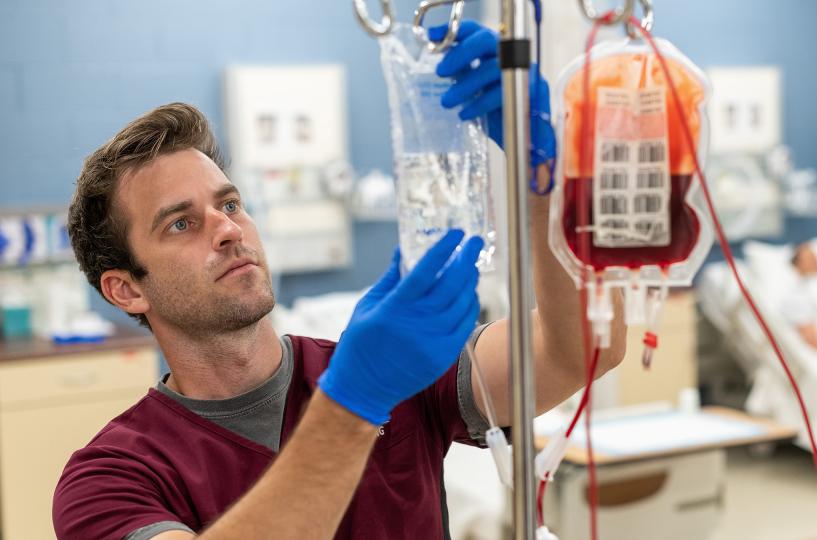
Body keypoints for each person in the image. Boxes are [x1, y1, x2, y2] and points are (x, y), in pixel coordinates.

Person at [52, 21, 627, 540]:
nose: (227, 229)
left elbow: (581, 347)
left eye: (230, 203)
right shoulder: (109, 477)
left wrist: (546, 185)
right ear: (126, 288)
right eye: (182, 223)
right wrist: (356, 400)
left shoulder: (393, 371)